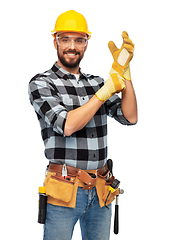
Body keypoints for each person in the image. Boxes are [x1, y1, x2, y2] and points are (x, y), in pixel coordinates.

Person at [28, 10, 137, 240]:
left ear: (86, 44)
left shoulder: (96, 82)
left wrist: (125, 76)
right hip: (64, 189)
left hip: (100, 190)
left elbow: (130, 117)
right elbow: (66, 125)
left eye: (79, 40)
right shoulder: (42, 83)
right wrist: (104, 92)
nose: (72, 46)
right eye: (65, 39)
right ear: (55, 41)